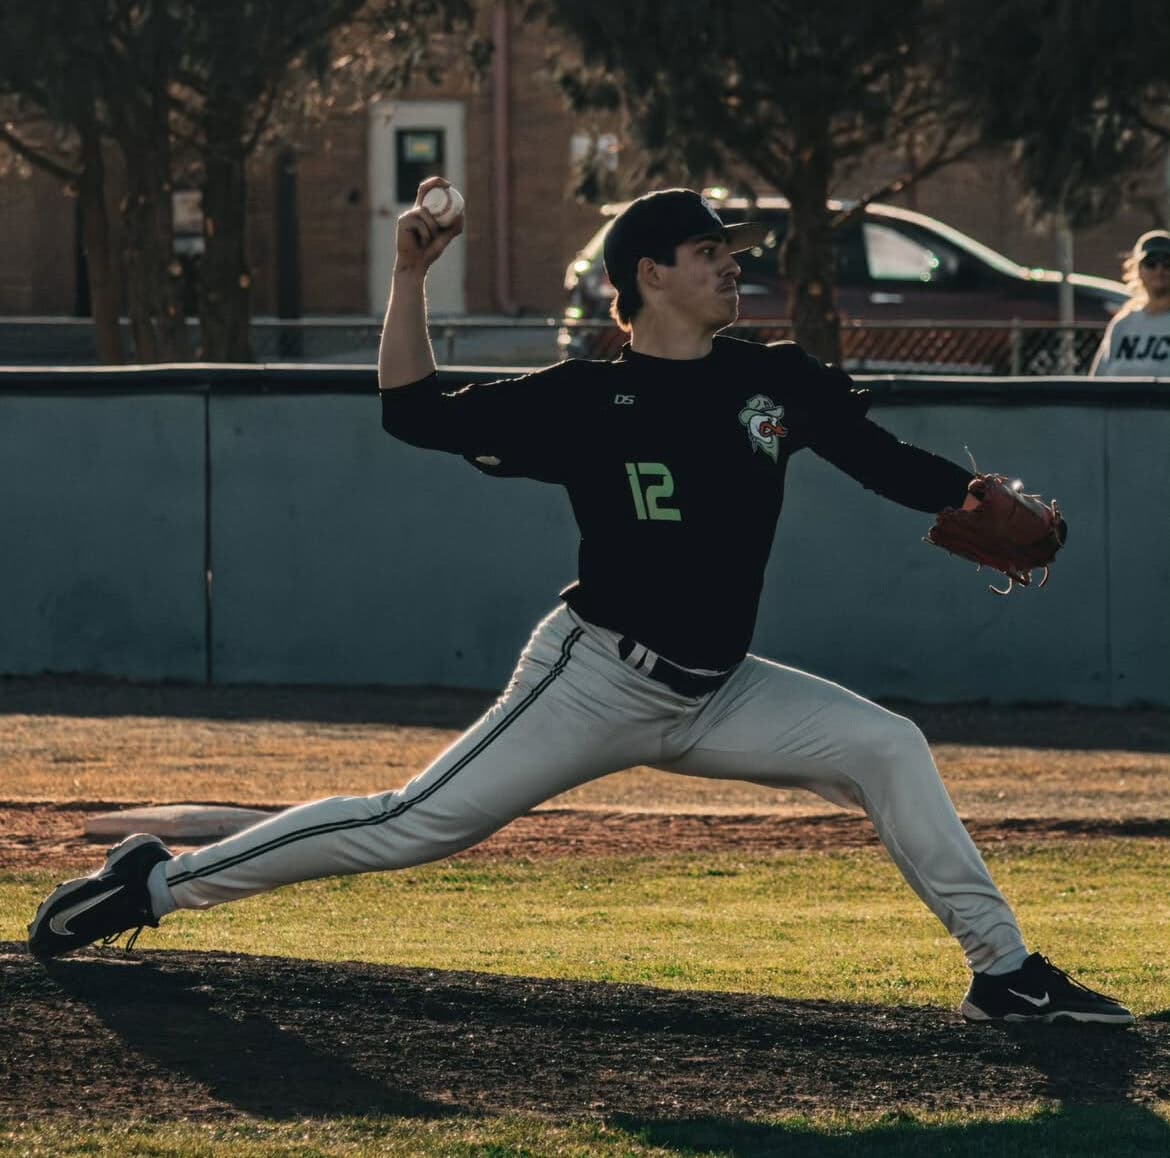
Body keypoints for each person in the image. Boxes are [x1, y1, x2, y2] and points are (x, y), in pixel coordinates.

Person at [29, 181, 1133, 1026]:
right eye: (709, 252)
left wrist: (970, 499)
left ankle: (1004, 973)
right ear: (649, 273)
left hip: (720, 690)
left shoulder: (773, 381)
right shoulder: (585, 397)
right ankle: (154, 886)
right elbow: (412, 413)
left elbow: (881, 459)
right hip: (596, 677)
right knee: (411, 823)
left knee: (888, 746)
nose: (730, 266)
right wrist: (410, 274)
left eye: (730, 252)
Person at [1089, 229, 1170, 377]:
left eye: (1167, 263)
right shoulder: (1123, 324)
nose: (1159, 270)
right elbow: (1098, 380)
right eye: (1151, 263)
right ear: (1137, 269)